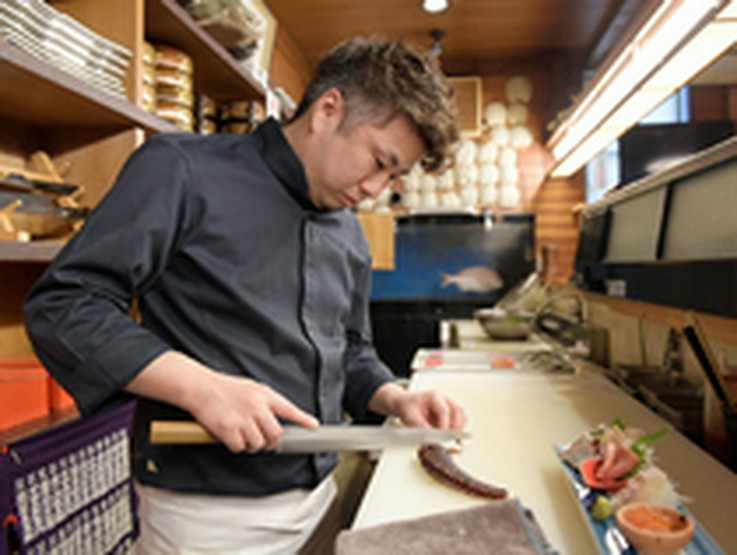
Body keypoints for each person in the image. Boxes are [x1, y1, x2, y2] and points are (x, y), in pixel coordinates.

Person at [24, 36, 465, 554]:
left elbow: (349, 352)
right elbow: (65, 304)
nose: (375, 188)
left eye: (394, 175)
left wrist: (396, 397)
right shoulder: (182, 169)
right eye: (378, 161)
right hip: (207, 518)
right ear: (328, 110)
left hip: (321, 497)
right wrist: (200, 387)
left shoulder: (347, 230)